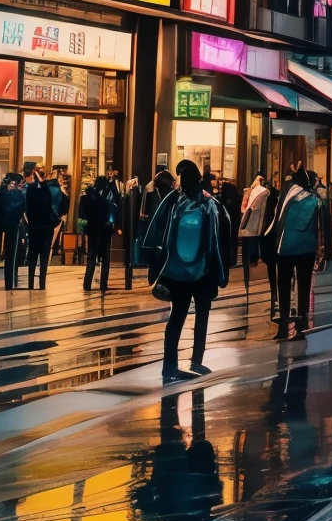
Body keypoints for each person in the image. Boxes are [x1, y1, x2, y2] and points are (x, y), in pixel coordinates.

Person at [139, 161, 228, 382]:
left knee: (181, 317)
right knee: (193, 315)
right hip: (195, 272)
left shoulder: (183, 201)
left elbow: (156, 229)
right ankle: (188, 362)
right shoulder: (206, 203)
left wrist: (152, 257)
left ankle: (177, 364)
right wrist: (220, 273)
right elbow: (216, 242)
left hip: (183, 271)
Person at [270, 168, 326, 338]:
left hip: (285, 248)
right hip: (307, 249)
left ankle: (285, 314)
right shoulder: (315, 200)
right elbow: (321, 227)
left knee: (284, 283)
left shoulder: (286, 198)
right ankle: (302, 315)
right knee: (304, 283)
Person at [22, 165, 64, 288]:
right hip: (46, 228)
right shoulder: (48, 193)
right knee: (44, 256)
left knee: (33, 256)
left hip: (34, 227)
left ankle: (30, 283)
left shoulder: (30, 192)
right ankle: (42, 284)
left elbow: (27, 211)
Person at [78, 175, 118, 294]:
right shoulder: (106, 199)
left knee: (91, 257)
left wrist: (82, 230)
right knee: (105, 258)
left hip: (91, 230)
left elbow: (81, 216)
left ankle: (87, 284)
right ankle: (103, 284)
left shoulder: (85, 199)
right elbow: (111, 215)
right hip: (104, 230)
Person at [0, 171, 27, 289]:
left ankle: (9, 281)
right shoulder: (18, 194)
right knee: (12, 254)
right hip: (13, 225)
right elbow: (22, 208)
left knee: (7, 254)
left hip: (0, 225)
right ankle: (11, 282)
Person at [240, 176, 273, 295]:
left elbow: (243, 209)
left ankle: (252, 262)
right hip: (259, 227)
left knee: (251, 251)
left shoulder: (253, 192)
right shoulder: (264, 193)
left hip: (251, 228)